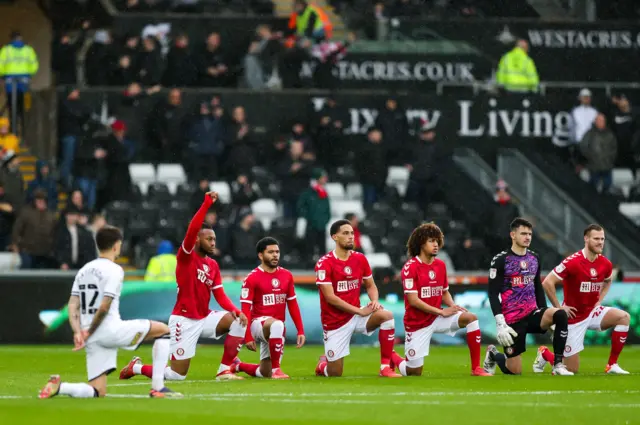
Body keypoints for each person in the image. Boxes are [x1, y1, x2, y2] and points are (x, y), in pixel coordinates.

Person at [38, 226, 181, 399]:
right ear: (116, 245)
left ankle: (60, 387)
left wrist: (79, 332)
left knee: (98, 391)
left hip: (92, 337)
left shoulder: (83, 271)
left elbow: (72, 305)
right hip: (110, 331)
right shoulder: (114, 270)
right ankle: (158, 387)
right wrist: (89, 331)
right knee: (164, 331)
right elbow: (105, 306)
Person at [119, 192, 248, 382]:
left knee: (238, 321)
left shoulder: (212, 265)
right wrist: (205, 205)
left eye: (214, 239)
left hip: (204, 316)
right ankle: (137, 367)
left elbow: (220, 295)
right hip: (184, 320)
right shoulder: (186, 256)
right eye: (208, 239)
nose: (213, 243)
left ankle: (224, 370)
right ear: (196, 239)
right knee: (176, 376)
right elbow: (192, 229)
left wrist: (235, 310)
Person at [389, 223, 491, 377]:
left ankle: (476, 368)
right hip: (418, 323)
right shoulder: (410, 267)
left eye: (437, 241)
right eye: (431, 241)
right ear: (421, 243)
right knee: (413, 372)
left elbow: (444, 292)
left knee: (471, 318)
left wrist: (453, 305)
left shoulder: (440, 265)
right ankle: (393, 357)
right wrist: (441, 311)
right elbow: (413, 300)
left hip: (437, 317)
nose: (436, 244)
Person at [534, 224, 630, 375]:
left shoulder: (605, 263)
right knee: (571, 370)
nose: (600, 242)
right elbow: (547, 282)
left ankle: (612, 365)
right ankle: (545, 353)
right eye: (596, 238)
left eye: (602, 239)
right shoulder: (572, 262)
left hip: (592, 311)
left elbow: (608, 280)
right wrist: (559, 309)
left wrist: (599, 299)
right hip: (573, 317)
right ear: (586, 239)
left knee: (623, 318)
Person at [484, 218, 573, 376]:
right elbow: (492, 293)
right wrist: (500, 323)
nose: (528, 237)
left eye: (530, 234)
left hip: (532, 314)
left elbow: (538, 286)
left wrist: (545, 311)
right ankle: (493, 354)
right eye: (523, 233)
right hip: (512, 320)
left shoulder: (534, 258)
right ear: (513, 235)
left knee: (560, 314)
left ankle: (558, 364)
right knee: (514, 371)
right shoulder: (501, 260)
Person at [314, 219, 401, 378]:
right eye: (345, 233)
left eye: (352, 233)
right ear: (334, 237)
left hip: (356, 315)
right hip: (335, 322)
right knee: (335, 373)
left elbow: (370, 285)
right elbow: (330, 297)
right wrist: (359, 311)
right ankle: (322, 364)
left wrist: (374, 300)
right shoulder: (324, 263)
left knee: (386, 316)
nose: (350, 237)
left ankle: (385, 367)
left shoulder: (360, 258)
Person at [232, 237, 305, 379]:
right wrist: (247, 336)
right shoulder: (252, 278)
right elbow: (245, 310)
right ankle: (277, 369)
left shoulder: (286, 275)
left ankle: (238, 365)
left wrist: (300, 330)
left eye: (277, 252)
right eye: (270, 252)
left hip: (275, 329)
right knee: (277, 324)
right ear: (261, 255)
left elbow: (292, 304)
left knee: (265, 372)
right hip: (257, 325)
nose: (275, 255)